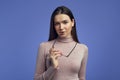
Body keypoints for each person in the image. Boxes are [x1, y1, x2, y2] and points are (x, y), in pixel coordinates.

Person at [34, 6, 88, 80]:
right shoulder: (44, 47)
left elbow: (82, 78)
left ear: (72, 22)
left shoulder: (83, 49)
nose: (61, 27)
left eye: (65, 22)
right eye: (57, 24)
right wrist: (53, 67)